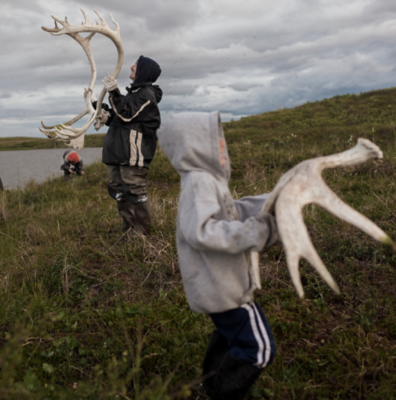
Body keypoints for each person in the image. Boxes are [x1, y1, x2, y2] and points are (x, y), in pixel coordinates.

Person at [158, 112, 279, 399]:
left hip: (217, 289)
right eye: (216, 143)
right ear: (196, 147)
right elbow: (200, 230)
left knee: (229, 336)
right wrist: (255, 233)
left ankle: (210, 386)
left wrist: (271, 199)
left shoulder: (206, 181)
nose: (223, 147)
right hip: (225, 288)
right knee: (259, 349)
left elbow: (231, 212)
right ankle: (224, 393)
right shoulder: (199, 181)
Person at [100, 55, 162, 235]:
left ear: (143, 72)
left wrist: (113, 92)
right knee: (118, 188)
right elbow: (121, 118)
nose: (131, 68)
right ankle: (128, 225)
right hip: (120, 151)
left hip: (134, 153)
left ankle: (142, 231)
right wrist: (104, 114)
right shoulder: (134, 94)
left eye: (135, 67)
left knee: (134, 189)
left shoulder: (147, 96)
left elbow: (127, 114)